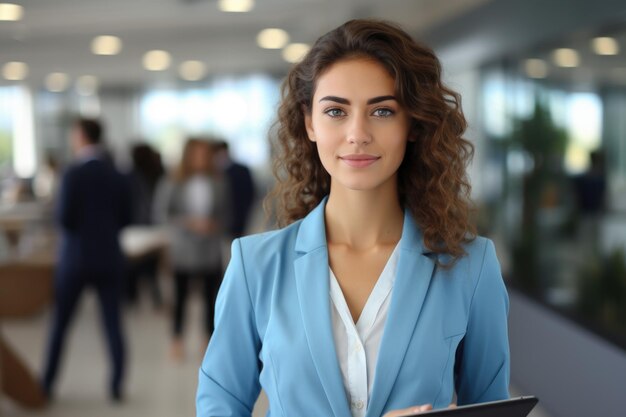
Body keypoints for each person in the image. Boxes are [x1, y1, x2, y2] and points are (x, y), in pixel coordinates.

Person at [196, 19, 510, 417]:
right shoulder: (255, 265)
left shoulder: (472, 266)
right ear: (310, 123)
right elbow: (219, 407)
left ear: (411, 124)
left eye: (381, 110)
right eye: (335, 111)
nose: (357, 133)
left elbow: (492, 409)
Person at [42, 118, 131, 402]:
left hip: (75, 259)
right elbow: (127, 217)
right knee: (113, 324)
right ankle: (116, 386)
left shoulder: (72, 174)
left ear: (80, 136)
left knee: (60, 324)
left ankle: (46, 383)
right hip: (109, 257)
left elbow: (65, 218)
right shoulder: (117, 174)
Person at [153, 138, 230, 360]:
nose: (201, 159)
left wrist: (214, 225)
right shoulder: (173, 182)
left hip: (210, 248)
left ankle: (208, 340)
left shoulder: (219, 182)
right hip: (183, 249)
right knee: (180, 297)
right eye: (197, 154)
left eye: (205, 154)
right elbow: (162, 214)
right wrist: (189, 223)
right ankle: (177, 339)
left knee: (211, 297)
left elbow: (227, 214)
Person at [213, 140, 256, 238]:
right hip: (218, 225)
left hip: (238, 219)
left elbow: (250, 194)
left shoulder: (241, 170)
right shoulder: (213, 173)